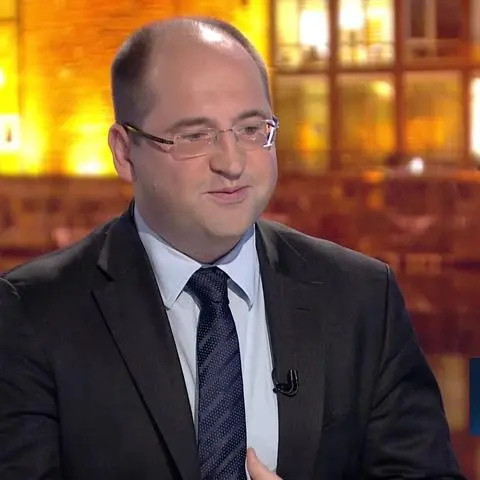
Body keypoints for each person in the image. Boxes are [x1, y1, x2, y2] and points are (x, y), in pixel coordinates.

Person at [0, 16, 466, 480]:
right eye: (194, 136)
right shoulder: (32, 313)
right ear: (125, 152)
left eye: (251, 129)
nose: (232, 162)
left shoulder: (362, 297)